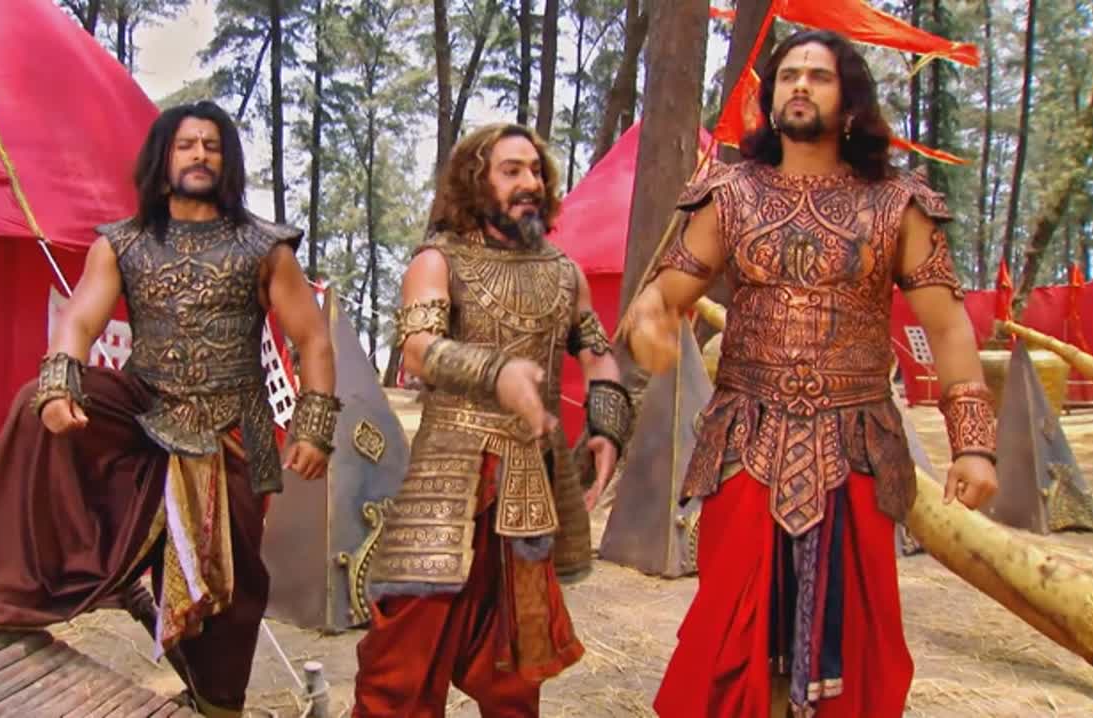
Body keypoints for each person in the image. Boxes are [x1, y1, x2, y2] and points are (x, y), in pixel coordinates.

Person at [620, 30, 999, 718]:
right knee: (730, 626)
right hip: (746, 440)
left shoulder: (896, 202)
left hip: (855, 443)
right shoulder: (729, 193)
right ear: (770, 100)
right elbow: (670, 293)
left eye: (818, 76)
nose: (799, 85)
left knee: (853, 637)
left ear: (849, 100)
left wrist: (973, 443)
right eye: (788, 75)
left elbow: (946, 326)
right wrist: (650, 317)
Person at [0, 101, 340, 718]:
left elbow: (312, 338)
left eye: (212, 146)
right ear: (162, 160)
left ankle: (217, 704)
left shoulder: (266, 247)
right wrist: (60, 385)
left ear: (227, 161)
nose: (199, 156)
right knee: (35, 403)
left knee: (232, 584)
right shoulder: (123, 242)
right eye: (186, 145)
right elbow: (80, 319)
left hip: (235, 427)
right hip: (143, 412)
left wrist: (314, 425)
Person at [351, 123, 631, 716]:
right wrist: (496, 372)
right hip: (448, 477)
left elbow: (598, 354)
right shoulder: (438, 261)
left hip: (529, 483)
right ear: (475, 182)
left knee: (516, 670)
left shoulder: (566, 273)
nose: (530, 182)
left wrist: (608, 423)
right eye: (511, 170)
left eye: (536, 170)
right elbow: (418, 349)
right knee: (399, 665)